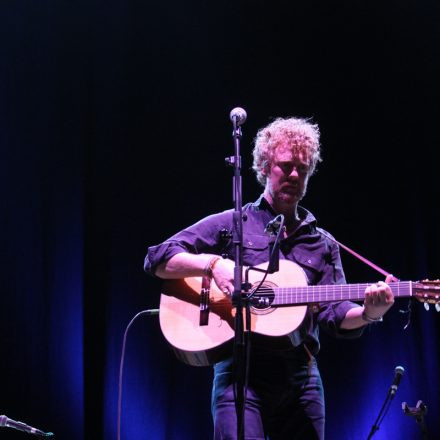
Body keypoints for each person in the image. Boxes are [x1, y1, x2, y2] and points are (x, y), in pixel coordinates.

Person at [144, 117, 394, 439]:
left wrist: (369, 313)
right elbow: (158, 258)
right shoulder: (235, 223)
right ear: (264, 166)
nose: (293, 175)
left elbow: (335, 314)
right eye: (285, 166)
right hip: (240, 375)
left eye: (302, 169)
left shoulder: (324, 244)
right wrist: (211, 265)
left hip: (301, 379)